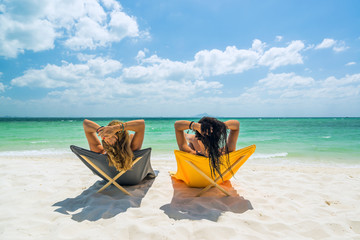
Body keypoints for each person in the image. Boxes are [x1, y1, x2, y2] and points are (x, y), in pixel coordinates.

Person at [174, 117, 240, 178]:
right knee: (191, 138)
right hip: (203, 142)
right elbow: (236, 124)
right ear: (217, 139)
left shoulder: (189, 153)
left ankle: (188, 135)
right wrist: (220, 126)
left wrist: (196, 126)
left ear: (199, 140)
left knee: (191, 138)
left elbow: (177, 125)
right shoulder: (226, 152)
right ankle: (188, 135)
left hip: (195, 144)